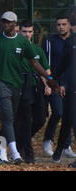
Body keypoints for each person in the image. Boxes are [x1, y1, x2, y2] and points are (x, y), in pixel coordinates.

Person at [0, 11, 59, 164]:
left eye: (9, 22)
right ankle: (19, 153)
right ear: (19, 28)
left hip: (23, 84)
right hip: (3, 83)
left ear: (15, 24)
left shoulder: (27, 45)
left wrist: (49, 80)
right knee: (12, 118)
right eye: (4, 21)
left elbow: (36, 63)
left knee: (25, 118)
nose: (6, 24)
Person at [15, 21, 52, 163]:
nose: (27, 34)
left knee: (41, 119)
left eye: (30, 32)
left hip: (37, 87)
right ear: (19, 32)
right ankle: (27, 153)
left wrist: (48, 83)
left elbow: (46, 69)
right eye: (24, 31)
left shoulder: (37, 49)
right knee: (25, 119)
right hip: (21, 87)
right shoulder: (16, 48)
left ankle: (21, 141)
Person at [41, 15, 76, 158]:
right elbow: (45, 64)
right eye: (58, 24)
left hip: (69, 85)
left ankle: (65, 145)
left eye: (64, 24)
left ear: (69, 25)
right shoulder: (50, 41)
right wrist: (48, 82)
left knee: (69, 116)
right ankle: (48, 140)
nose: (61, 27)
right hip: (55, 84)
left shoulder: (72, 42)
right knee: (58, 112)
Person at [52, 16, 76, 167]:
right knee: (68, 120)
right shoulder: (70, 43)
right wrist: (57, 82)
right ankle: (60, 147)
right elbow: (64, 65)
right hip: (72, 87)